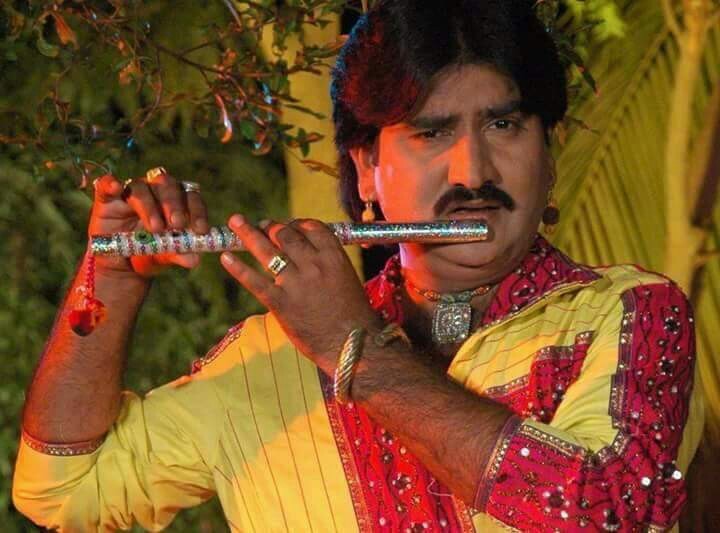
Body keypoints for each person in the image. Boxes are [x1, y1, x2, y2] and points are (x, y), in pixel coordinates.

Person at [13, 0, 703, 531]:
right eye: (431, 132)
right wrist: (109, 282)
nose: (473, 171)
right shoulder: (266, 360)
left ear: (549, 155)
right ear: (366, 168)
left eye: (504, 125)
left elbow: (609, 511)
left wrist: (357, 351)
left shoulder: (630, 314)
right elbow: (61, 491)